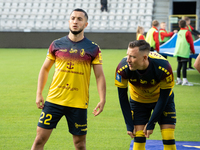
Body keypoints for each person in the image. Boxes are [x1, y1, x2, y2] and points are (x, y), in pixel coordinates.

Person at [31, 8, 106, 150]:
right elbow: (45, 69)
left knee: (80, 145)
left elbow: (99, 76)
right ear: (69, 21)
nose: (75, 21)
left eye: (79, 19)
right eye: (72, 18)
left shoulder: (93, 48)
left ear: (86, 24)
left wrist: (102, 99)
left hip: (78, 103)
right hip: (53, 100)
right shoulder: (56, 44)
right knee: (39, 140)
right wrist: (39, 93)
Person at [115, 40, 177, 150]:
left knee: (168, 139)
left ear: (144, 58)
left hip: (162, 101)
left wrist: (151, 123)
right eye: (127, 55)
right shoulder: (122, 68)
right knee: (138, 140)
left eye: (133, 57)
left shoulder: (163, 67)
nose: (128, 60)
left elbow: (163, 98)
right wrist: (129, 124)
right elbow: (122, 98)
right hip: (139, 102)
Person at [174, 19, 195, 86]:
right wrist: (193, 50)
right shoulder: (187, 32)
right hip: (184, 51)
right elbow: (191, 42)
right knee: (184, 65)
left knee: (179, 65)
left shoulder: (179, 32)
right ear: (186, 25)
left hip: (178, 50)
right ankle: (185, 80)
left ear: (179, 25)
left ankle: (178, 79)